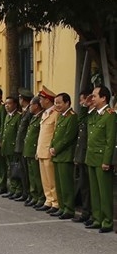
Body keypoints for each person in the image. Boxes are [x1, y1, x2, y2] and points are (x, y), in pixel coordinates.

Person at [85, 85, 116, 233]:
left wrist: (106, 161)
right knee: (95, 191)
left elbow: (110, 141)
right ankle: (97, 218)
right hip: (91, 157)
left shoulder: (109, 115)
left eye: (95, 96)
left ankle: (107, 221)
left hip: (101, 158)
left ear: (104, 98)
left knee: (104, 192)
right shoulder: (94, 114)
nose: (92, 98)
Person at [48, 93, 78, 219]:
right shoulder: (61, 116)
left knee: (66, 184)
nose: (57, 105)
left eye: (59, 103)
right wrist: (51, 147)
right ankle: (61, 207)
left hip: (65, 155)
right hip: (57, 154)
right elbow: (56, 134)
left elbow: (68, 137)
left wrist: (56, 148)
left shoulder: (72, 117)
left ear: (67, 103)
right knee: (59, 184)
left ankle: (69, 209)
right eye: (55, 103)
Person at [36, 86, 59, 214]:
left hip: (49, 151)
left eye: (41, 99)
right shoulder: (45, 113)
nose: (40, 101)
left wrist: (52, 148)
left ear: (48, 100)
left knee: (52, 179)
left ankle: (55, 202)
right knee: (45, 179)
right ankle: (48, 200)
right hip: (41, 150)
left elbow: (55, 133)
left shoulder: (55, 114)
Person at [72, 89, 93, 224]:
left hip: (91, 155)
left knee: (92, 189)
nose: (81, 103)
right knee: (85, 187)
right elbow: (80, 123)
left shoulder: (96, 115)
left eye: (82, 100)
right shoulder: (87, 115)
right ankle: (86, 212)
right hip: (83, 156)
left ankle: (93, 213)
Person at [24, 97, 46, 209]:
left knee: (37, 176)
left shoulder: (42, 116)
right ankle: (34, 196)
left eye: (31, 105)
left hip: (35, 150)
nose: (29, 107)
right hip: (29, 150)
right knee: (32, 176)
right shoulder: (34, 117)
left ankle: (41, 197)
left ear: (36, 105)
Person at [14, 88, 35, 204]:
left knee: (28, 173)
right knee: (23, 171)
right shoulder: (24, 111)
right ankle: (25, 192)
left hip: (25, 146)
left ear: (23, 99)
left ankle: (29, 194)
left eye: (20, 98)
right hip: (21, 146)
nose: (19, 100)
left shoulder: (29, 113)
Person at [0, 96, 22, 199]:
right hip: (6, 147)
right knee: (10, 168)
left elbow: (19, 134)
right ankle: (12, 188)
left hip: (13, 147)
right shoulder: (7, 116)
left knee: (16, 168)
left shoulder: (18, 116)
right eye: (6, 104)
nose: (6, 106)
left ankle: (18, 189)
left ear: (15, 105)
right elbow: (4, 131)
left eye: (9, 104)